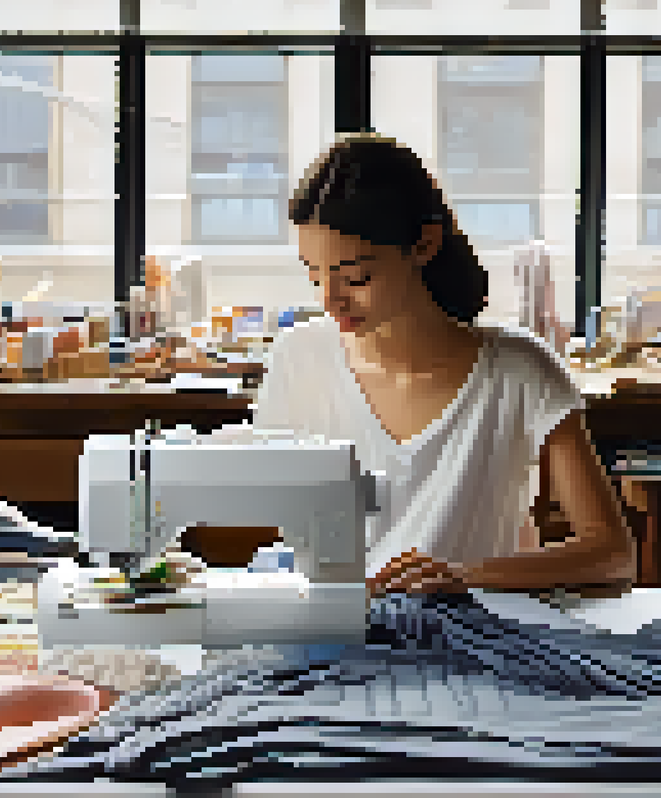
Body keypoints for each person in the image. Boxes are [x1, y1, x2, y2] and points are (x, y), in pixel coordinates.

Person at [254, 134, 636, 598]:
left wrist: (463, 577)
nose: (330, 299)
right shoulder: (300, 358)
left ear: (424, 244)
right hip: (340, 639)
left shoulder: (519, 369)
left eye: (356, 276)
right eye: (315, 275)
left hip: (473, 640)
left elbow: (613, 555)